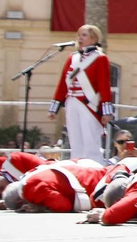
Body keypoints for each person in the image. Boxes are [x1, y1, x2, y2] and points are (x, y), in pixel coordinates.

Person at [49, 24, 114, 160]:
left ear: (93, 38)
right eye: (79, 35)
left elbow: (104, 85)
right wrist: (53, 109)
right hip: (72, 102)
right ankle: (76, 167)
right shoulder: (72, 58)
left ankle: (94, 168)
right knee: (75, 141)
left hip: (89, 104)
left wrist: (106, 111)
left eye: (84, 35)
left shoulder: (100, 58)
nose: (80, 38)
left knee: (91, 142)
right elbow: (62, 83)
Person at [13, 158, 112, 213]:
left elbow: (63, 206)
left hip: (99, 186)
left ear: (20, 202)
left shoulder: (30, 189)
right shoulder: (32, 175)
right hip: (100, 174)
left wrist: (41, 208)